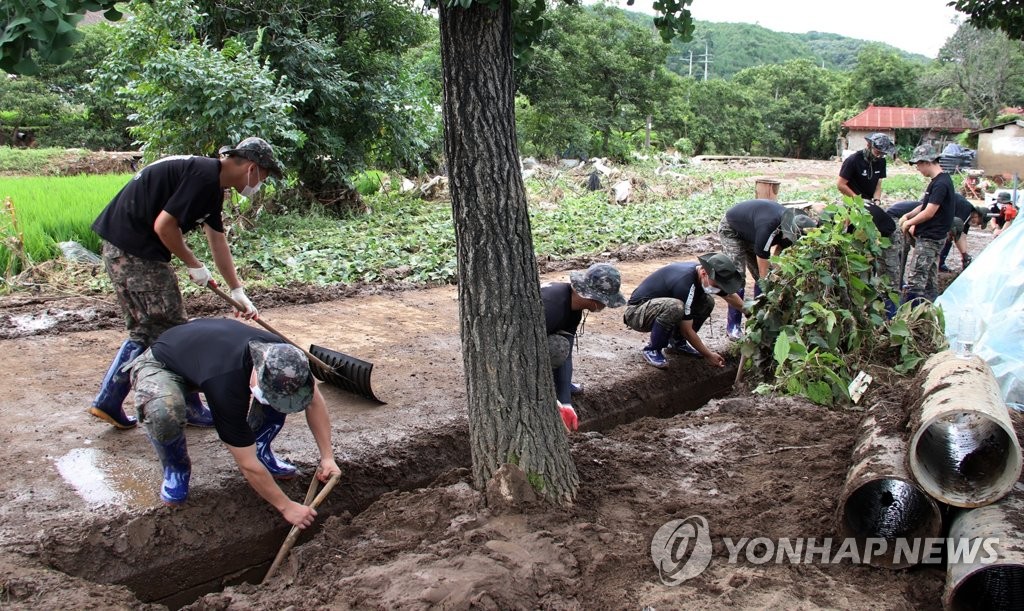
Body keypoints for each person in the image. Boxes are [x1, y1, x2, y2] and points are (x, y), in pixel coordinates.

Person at [88, 137, 284, 430]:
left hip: (124, 250)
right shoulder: (204, 176)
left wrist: (237, 290)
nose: (259, 185)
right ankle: (183, 406)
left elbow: (217, 241)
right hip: (135, 253)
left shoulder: (211, 184)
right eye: (263, 178)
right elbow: (164, 226)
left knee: (152, 329)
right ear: (252, 168)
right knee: (172, 331)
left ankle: (109, 400)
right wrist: (194, 263)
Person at [129, 318, 341, 528]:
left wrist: (327, 457)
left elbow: (314, 402)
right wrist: (286, 507)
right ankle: (176, 468)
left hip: (205, 353)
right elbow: (246, 464)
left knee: (279, 399)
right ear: (256, 374)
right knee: (164, 411)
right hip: (165, 363)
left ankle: (261, 448)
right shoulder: (225, 386)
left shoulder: (286, 359)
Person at [623, 253, 745, 369]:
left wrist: (750, 312)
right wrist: (708, 355)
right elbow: (686, 330)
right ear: (703, 272)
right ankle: (652, 349)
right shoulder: (685, 284)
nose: (719, 288)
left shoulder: (704, 278)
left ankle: (677, 343)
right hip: (637, 313)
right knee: (675, 306)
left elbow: (729, 296)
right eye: (718, 284)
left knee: (707, 301)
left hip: (658, 308)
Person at [542, 263, 626, 431]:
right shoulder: (552, 307)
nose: (605, 306)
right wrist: (547, 395)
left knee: (561, 346)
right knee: (557, 347)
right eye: (605, 301)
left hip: (533, 343)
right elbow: (522, 351)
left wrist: (565, 402)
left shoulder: (573, 308)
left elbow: (566, 354)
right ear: (592, 297)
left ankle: (556, 385)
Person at [718, 199, 818, 338]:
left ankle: (759, 319)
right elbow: (762, 256)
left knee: (769, 275)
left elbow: (779, 251)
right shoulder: (770, 226)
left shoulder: (794, 226)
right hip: (732, 229)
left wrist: (777, 274)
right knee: (738, 276)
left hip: (752, 232)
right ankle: (733, 326)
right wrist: (766, 283)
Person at [898, 145, 956, 304]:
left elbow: (929, 211)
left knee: (915, 280)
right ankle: (931, 309)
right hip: (931, 237)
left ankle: (909, 315)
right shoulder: (939, 181)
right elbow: (924, 205)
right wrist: (908, 215)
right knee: (929, 279)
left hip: (930, 238)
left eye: (918, 164)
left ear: (927, 162)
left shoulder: (941, 184)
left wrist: (909, 223)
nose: (917, 168)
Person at [837, 133, 897, 204]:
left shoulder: (882, 161)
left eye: (882, 154)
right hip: (852, 200)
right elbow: (840, 185)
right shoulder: (853, 160)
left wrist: (877, 200)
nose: (879, 156)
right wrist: (858, 200)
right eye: (877, 152)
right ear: (869, 145)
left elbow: (878, 184)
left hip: (869, 200)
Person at [937, 195, 986, 271]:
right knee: (947, 238)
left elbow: (962, 236)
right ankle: (939, 264)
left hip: (943, 212)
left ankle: (940, 263)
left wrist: (964, 254)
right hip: (937, 208)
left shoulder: (968, 217)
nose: (977, 224)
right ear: (977, 215)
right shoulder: (965, 209)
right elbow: (955, 231)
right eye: (979, 222)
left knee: (950, 238)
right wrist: (964, 254)